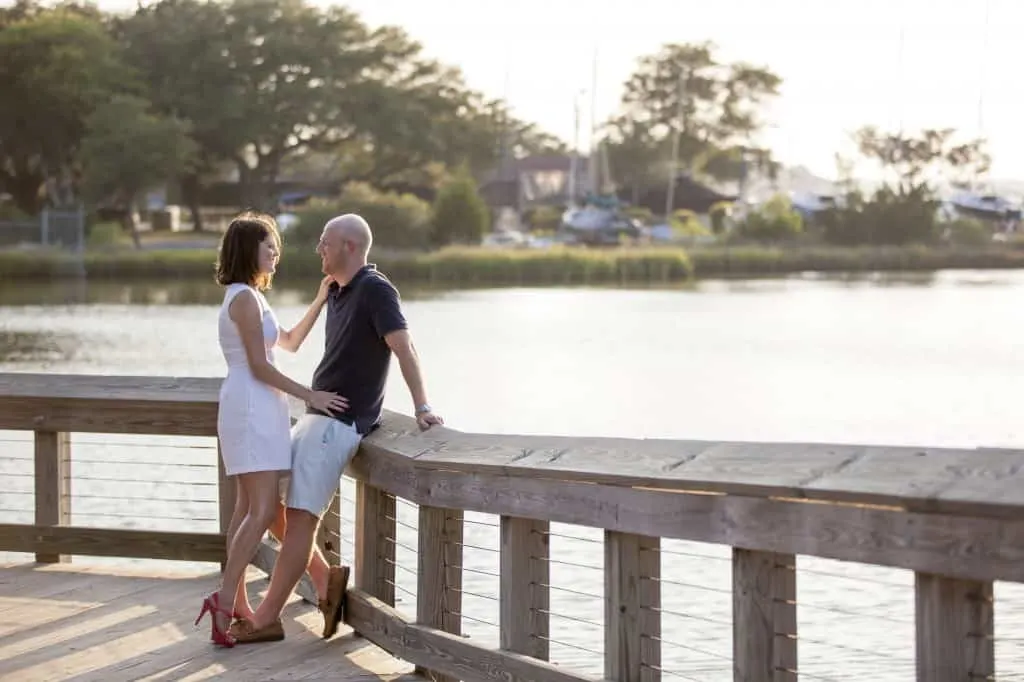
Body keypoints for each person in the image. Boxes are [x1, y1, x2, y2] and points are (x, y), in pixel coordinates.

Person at [230, 213, 443, 644]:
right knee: (268, 507)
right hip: (315, 418)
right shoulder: (338, 292)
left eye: (325, 242)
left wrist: (422, 405)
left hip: (338, 425)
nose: (318, 249)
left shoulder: (375, 289)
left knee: (301, 519)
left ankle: (266, 617)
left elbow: (404, 347)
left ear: (348, 245)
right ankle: (327, 581)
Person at [195, 212, 348, 648]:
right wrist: (311, 396)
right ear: (248, 251)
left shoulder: (253, 299)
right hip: (250, 405)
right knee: (261, 512)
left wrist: (321, 298)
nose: (276, 254)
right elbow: (260, 367)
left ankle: (239, 605)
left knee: (248, 509)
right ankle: (225, 601)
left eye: (276, 247)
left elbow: (291, 343)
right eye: (269, 247)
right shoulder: (242, 299)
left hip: (258, 405)